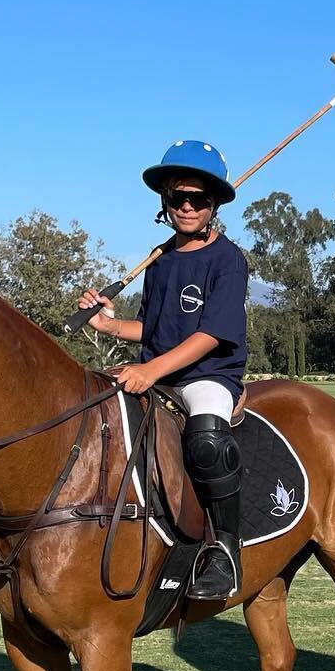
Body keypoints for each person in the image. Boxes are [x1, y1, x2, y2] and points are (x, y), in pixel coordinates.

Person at [79, 140, 250, 600]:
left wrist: (151, 371)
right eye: (179, 198)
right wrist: (109, 324)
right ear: (165, 202)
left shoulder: (228, 260)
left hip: (209, 374)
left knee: (208, 436)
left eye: (199, 199)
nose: (188, 206)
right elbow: (154, 330)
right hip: (158, 369)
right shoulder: (159, 261)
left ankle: (226, 551)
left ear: (214, 204)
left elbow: (209, 335)